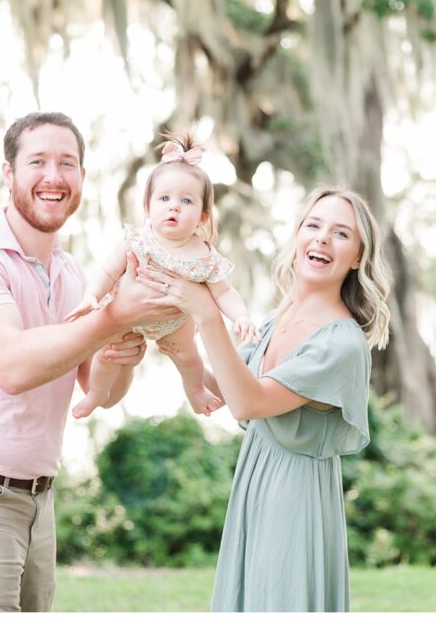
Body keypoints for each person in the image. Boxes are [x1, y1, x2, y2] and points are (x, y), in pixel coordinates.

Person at [0, 112, 182, 612]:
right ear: (8, 174)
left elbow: (101, 393)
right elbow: (13, 367)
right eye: (37, 162)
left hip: (37, 505)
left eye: (66, 164)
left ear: (81, 179)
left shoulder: (73, 274)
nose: (53, 177)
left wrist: (122, 350)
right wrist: (112, 317)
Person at [138, 186, 392, 612]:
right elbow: (231, 383)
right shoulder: (281, 315)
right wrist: (173, 346)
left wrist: (206, 313)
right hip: (255, 481)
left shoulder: (340, 342)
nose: (323, 238)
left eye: (341, 233)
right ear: (296, 238)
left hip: (294, 499)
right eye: (313, 225)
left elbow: (249, 403)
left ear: (358, 258)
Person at [65, 132, 259, 419]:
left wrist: (241, 316)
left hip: (175, 321)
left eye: (187, 201)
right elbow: (107, 271)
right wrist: (91, 296)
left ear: (204, 216)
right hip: (128, 315)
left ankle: (195, 392)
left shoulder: (203, 255)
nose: (174, 206)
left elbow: (224, 292)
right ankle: (96, 393)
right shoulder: (138, 240)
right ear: (148, 206)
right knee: (109, 354)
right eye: (164, 198)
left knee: (189, 357)